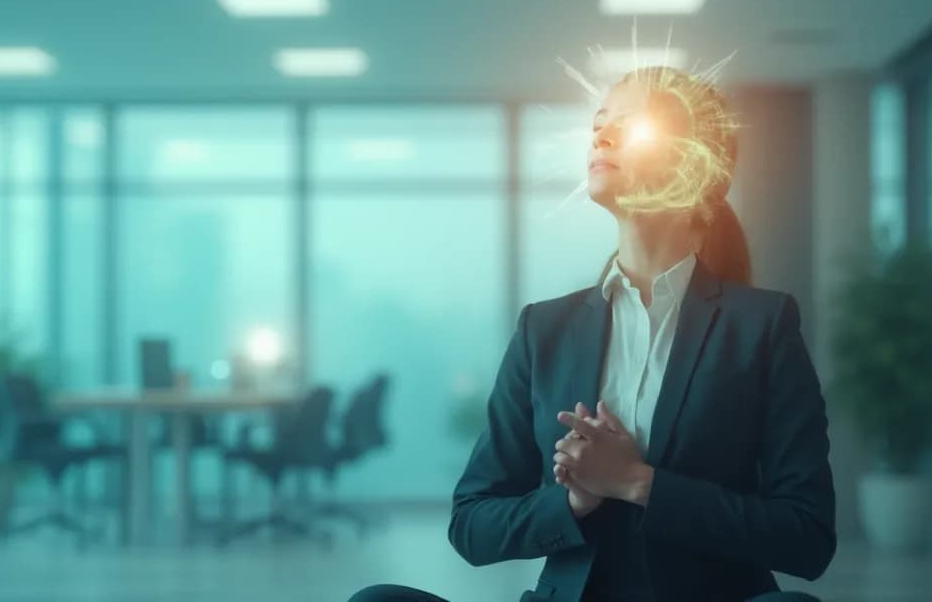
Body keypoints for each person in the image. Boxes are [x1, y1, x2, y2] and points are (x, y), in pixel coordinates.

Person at [350, 67, 835, 602]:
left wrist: (636, 483)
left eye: (633, 126)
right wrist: (573, 502)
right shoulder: (544, 329)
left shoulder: (761, 325)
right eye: (600, 124)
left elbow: (807, 538)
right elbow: (472, 524)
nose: (601, 136)